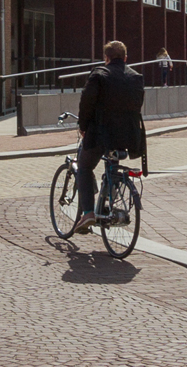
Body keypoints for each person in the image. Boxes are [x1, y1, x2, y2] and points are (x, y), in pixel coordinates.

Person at [67, 40, 145, 235]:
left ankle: (88, 213)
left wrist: (83, 126)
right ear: (126, 58)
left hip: (101, 133)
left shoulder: (99, 75)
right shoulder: (136, 77)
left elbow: (86, 103)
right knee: (113, 166)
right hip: (129, 136)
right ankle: (107, 201)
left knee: (84, 167)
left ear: (106, 58)